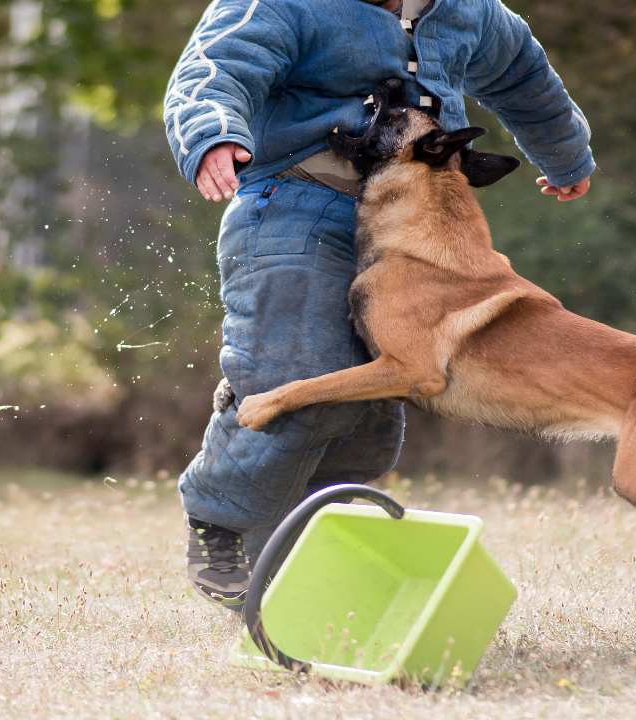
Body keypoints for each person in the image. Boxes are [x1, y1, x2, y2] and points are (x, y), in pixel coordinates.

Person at [164, 0, 595, 610]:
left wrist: (566, 153)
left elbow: (523, 73)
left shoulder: (470, 11)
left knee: (368, 418)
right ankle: (222, 522)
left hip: (411, 224)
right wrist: (211, 135)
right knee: (298, 377)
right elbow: (215, 67)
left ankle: (300, 565)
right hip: (296, 204)